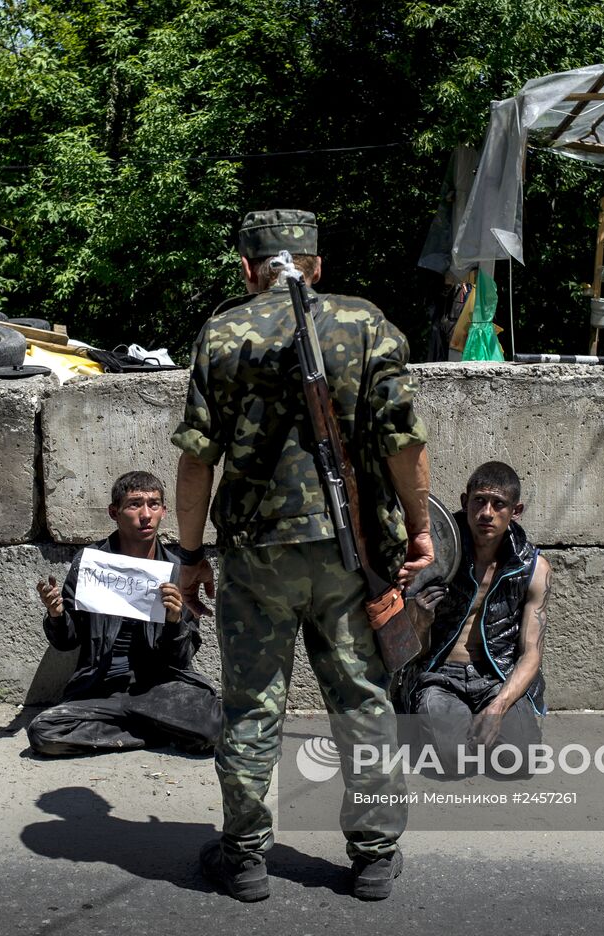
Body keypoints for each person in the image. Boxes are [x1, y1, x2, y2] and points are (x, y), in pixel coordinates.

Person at [172, 209, 433, 902]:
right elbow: (404, 442)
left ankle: (247, 856)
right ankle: (375, 856)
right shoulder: (366, 323)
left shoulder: (223, 333)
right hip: (352, 554)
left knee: (252, 705)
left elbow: (198, 462)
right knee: (361, 699)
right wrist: (419, 530)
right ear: (316, 265)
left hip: (257, 556)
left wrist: (190, 553)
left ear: (247, 269)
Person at [27, 471, 222, 756]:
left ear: (164, 511)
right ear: (114, 512)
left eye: (154, 505)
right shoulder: (91, 565)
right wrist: (56, 614)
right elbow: (67, 641)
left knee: (212, 725)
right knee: (44, 731)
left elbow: (181, 659)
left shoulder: (177, 571)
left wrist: (174, 620)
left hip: (159, 689)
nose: (146, 515)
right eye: (134, 505)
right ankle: (158, 731)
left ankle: (134, 724)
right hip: (101, 688)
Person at [404, 461, 549, 778]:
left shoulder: (532, 567)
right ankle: (443, 726)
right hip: (439, 675)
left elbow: (531, 653)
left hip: (497, 676)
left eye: (499, 504)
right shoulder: (435, 554)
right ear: (463, 502)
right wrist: (420, 619)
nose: (487, 513)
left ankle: (475, 722)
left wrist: (498, 707)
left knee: (521, 761)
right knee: (452, 763)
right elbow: (409, 647)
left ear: (516, 510)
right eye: (479, 501)